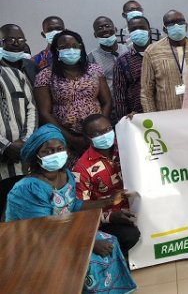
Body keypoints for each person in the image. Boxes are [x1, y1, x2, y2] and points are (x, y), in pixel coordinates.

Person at [6, 124, 136, 293]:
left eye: (60, 149)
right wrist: (89, 244)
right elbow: (42, 229)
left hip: (63, 232)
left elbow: (73, 205)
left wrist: (109, 201)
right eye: (48, 151)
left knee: (111, 241)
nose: (55, 154)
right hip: (34, 243)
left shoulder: (65, 175)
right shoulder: (28, 189)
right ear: (36, 155)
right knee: (89, 258)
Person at [34, 30, 111, 165]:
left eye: (75, 46)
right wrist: (71, 139)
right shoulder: (45, 76)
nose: (71, 50)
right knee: (76, 172)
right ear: (56, 51)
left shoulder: (95, 70)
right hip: (66, 138)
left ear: (81, 48)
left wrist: (99, 129)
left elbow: (107, 101)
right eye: (64, 47)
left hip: (99, 136)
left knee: (104, 169)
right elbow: (44, 113)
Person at [73, 114, 140, 258]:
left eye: (108, 129)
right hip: (110, 218)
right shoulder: (82, 168)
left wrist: (137, 122)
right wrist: (110, 217)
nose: (105, 135)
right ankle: (114, 261)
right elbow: (81, 207)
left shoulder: (124, 145)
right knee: (130, 235)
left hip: (139, 206)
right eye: (98, 134)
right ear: (87, 139)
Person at [141, 10, 188, 112]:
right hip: (168, 114)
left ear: (186, 26)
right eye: (171, 23)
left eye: (180, 22)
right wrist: (153, 117)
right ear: (165, 29)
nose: (176, 26)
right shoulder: (152, 52)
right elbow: (146, 92)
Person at [0, 62, 37, 180]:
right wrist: (6, 147)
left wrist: (25, 141)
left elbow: (32, 108)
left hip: (23, 160)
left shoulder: (16, 74)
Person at [112, 16, 153, 120]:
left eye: (142, 28)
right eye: (133, 29)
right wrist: (124, 121)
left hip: (165, 113)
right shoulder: (122, 61)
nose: (138, 31)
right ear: (129, 33)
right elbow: (119, 97)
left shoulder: (161, 54)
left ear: (149, 30)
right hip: (137, 118)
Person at [88, 16, 128, 94]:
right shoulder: (91, 57)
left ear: (115, 29)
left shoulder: (128, 49)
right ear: (95, 35)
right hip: (110, 99)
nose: (104, 30)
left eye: (107, 26)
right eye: (100, 28)